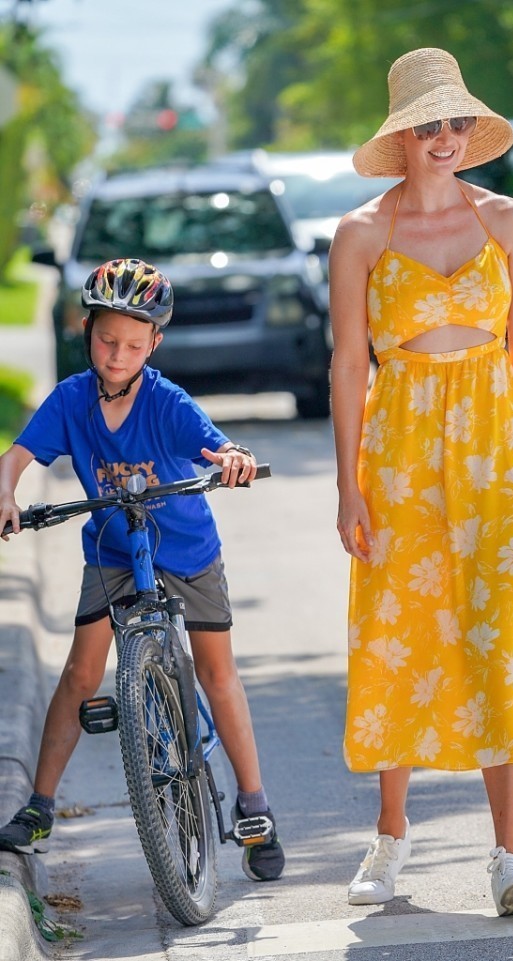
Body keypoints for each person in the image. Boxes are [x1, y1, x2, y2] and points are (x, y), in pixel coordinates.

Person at [329, 48, 513, 915]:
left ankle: (508, 855)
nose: (445, 139)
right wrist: (347, 485)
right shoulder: (360, 233)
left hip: (493, 445)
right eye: (428, 125)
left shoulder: (506, 221)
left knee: (489, 636)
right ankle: (390, 838)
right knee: (394, 632)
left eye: (456, 123)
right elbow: (347, 365)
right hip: (396, 449)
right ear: (401, 135)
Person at [0, 258, 285, 883]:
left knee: (217, 671)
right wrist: (6, 492)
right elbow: (17, 454)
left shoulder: (166, 401)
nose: (117, 355)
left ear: (154, 344)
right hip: (112, 551)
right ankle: (40, 806)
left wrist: (234, 457)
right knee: (79, 673)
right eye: (106, 340)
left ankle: (254, 805)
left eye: (133, 344)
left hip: (185, 550)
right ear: (86, 332)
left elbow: (216, 445)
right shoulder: (72, 400)